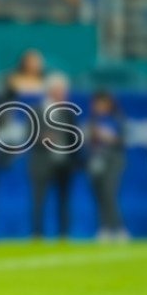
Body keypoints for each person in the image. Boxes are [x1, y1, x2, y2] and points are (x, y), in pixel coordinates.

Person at [29, 73, 79, 238]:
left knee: (63, 201)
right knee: (39, 201)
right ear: (50, 90)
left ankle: (63, 234)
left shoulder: (68, 112)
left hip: (63, 164)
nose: (63, 93)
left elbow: (74, 139)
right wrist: (43, 138)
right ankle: (37, 234)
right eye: (59, 90)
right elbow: (28, 136)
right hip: (41, 163)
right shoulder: (36, 110)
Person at [85, 91, 127, 242]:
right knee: (99, 195)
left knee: (109, 193)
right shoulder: (92, 120)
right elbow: (86, 142)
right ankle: (104, 228)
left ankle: (118, 228)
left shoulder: (116, 119)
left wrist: (107, 136)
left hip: (112, 161)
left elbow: (121, 140)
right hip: (95, 161)